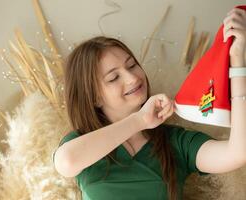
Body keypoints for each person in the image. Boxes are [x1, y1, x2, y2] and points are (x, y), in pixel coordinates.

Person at [53, 7, 246, 200]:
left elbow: (238, 152)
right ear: (94, 97)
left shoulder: (175, 143)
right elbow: (66, 162)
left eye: (132, 65)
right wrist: (140, 121)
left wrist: (237, 61)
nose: (132, 78)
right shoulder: (84, 143)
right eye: (113, 78)